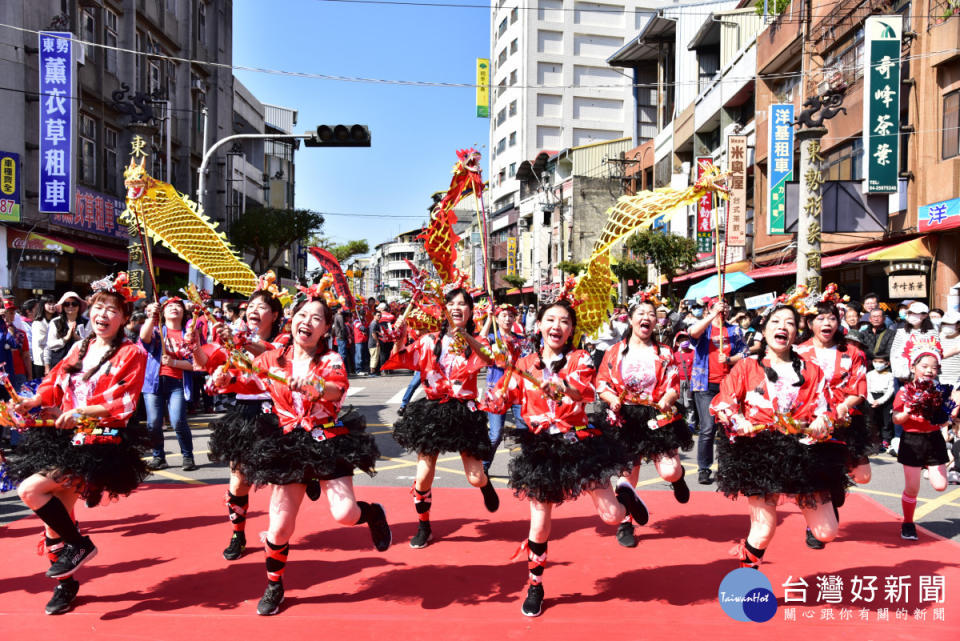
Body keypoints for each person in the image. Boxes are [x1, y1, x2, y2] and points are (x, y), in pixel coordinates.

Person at [209, 286, 390, 615]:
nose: (307, 321)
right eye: (303, 315)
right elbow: (245, 379)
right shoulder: (271, 359)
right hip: (289, 443)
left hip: (326, 438)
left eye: (316, 318)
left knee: (345, 515)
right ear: (292, 321)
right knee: (279, 526)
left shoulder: (331, 359)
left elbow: (335, 390)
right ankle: (274, 585)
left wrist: (314, 386)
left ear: (325, 328)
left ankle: (372, 513)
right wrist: (222, 379)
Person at [485, 295, 645, 617]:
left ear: (571, 329)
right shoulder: (525, 364)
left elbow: (580, 389)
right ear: (539, 325)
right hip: (541, 449)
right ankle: (535, 585)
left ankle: (625, 495)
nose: (557, 326)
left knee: (613, 517)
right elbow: (501, 401)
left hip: (578, 444)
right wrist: (498, 391)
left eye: (564, 321)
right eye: (551, 320)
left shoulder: (581, 358)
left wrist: (558, 386)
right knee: (540, 525)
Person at [6, 274, 147, 615]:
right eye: (98, 306)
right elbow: (53, 383)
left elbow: (124, 402)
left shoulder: (132, 353)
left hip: (99, 441)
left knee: (31, 491)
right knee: (55, 516)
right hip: (68, 437)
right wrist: (29, 402)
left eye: (112, 309)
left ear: (125, 317)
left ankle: (80, 545)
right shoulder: (80, 347)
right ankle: (66, 585)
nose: (103, 314)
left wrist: (81, 410)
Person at [710, 302, 845, 570]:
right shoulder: (747, 366)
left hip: (804, 450)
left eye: (790, 323)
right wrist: (739, 421)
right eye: (775, 321)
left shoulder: (812, 368)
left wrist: (821, 420)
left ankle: (831, 489)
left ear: (797, 333)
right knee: (763, 529)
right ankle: (746, 580)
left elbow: (827, 408)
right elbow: (722, 403)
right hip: (760, 450)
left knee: (826, 532)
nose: (782, 326)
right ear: (763, 328)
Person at [384, 287, 500, 549]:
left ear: (471, 312)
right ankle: (424, 524)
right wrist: (399, 337)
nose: (457, 308)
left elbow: (488, 358)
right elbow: (400, 357)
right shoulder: (428, 341)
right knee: (423, 475)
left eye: (463, 304)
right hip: (433, 411)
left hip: (465, 412)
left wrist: (467, 338)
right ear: (444, 309)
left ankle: (485, 484)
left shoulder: (478, 341)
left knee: (475, 478)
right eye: (452, 303)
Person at [194, 279, 288, 561]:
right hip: (244, 414)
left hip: (275, 414)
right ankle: (238, 533)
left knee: (279, 481)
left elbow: (275, 358)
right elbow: (213, 371)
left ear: (275, 316)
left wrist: (244, 340)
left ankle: (277, 534)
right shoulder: (235, 341)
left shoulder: (283, 340)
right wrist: (201, 351)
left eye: (263, 306)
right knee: (238, 483)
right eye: (251, 306)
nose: (254, 310)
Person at [595, 293, 690, 548]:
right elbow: (602, 383)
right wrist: (611, 399)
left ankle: (678, 479)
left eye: (651, 314)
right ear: (631, 319)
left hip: (656, 414)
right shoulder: (615, 352)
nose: (646, 317)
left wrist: (667, 400)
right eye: (641, 313)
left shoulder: (665, 353)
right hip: (625, 415)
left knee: (669, 470)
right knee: (627, 477)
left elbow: (674, 385)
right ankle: (626, 523)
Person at [795, 296, 869, 549]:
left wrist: (837, 411)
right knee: (815, 474)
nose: (826, 323)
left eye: (831, 318)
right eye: (820, 318)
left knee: (862, 476)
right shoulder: (798, 352)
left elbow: (858, 391)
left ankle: (834, 490)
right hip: (809, 423)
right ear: (809, 322)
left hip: (844, 420)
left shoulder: (852, 352)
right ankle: (812, 524)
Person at [891, 348, 954, 540]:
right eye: (924, 366)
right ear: (913, 367)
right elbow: (896, 419)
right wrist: (908, 410)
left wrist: (945, 418)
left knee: (941, 485)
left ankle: (929, 467)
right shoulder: (904, 392)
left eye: (934, 368)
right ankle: (908, 523)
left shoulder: (940, 391)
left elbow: (946, 419)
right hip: (912, 440)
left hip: (934, 439)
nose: (929, 370)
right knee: (912, 489)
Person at [687, 298, 747, 484]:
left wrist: (729, 360)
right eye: (720, 307)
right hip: (704, 386)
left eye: (726, 307)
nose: (724, 310)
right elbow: (692, 332)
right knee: (707, 428)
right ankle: (704, 468)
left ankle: (726, 468)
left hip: (728, 386)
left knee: (728, 428)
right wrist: (712, 315)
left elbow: (744, 353)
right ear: (710, 309)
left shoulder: (734, 330)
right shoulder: (704, 328)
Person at [140, 297, 196, 471]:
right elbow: (143, 337)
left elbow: (196, 364)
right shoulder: (158, 331)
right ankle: (158, 456)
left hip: (177, 383)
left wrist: (174, 363)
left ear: (183, 312)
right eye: (169, 306)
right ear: (163, 313)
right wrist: (152, 317)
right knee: (154, 422)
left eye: (178, 306)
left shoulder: (189, 334)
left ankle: (188, 456)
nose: (174, 308)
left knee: (178, 420)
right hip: (153, 383)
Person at [481, 304, 528, 474]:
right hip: (497, 391)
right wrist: (488, 318)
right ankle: (484, 467)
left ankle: (526, 470)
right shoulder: (492, 337)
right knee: (496, 434)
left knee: (524, 431)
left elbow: (528, 361)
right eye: (503, 316)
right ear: (497, 318)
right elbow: (479, 340)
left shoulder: (520, 340)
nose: (507, 319)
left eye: (510, 316)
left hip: (517, 391)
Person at [45, 292, 89, 371]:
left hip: (80, 364)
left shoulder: (87, 322)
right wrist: (65, 339)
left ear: (79, 306)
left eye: (74, 304)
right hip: (58, 364)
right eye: (67, 304)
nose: (70, 306)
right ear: (62, 307)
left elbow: (91, 343)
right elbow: (50, 345)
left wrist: (77, 338)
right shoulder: (55, 322)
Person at [866, 354, 895, 452]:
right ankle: (873, 441)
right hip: (871, 398)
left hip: (885, 400)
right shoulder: (869, 374)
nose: (877, 364)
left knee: (886, 421)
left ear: (887, 363)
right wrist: (871, 401)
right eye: (875, 361)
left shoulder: (890, 375)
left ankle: (885, 440)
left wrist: (880, 401)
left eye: (881, 362)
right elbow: (867, 389)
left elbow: (890, 390)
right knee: (872, 421)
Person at [31, 295, 57, 379]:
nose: (52, 306)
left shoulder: (57, 320)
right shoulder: (38, 322)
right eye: (49, 304)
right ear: (43, 305)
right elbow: (41, 342)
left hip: (54, 359)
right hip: (41, 361)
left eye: (54, 303)